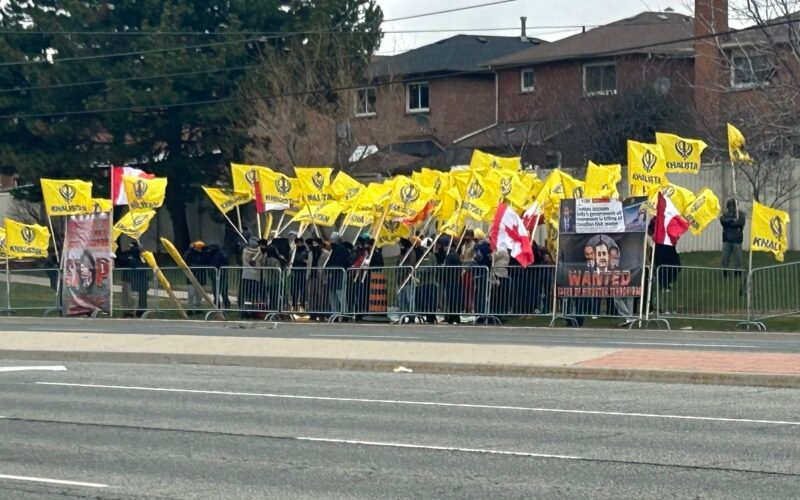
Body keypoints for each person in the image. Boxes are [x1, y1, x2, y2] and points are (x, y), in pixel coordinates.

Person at [720, 198, 746, 278]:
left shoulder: (740, 214)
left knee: (738, 258)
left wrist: (731, 223)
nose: (731, 207)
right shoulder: (725, 215)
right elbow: (723, 221)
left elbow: (741, 222)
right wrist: (733, 221)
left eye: (733, 205)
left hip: (737, 239)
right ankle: (725, 272)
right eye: (730, 205)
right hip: (727, 239)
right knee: (725, 257)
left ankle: (737, 272)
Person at [326, 232, 350, 314]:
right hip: (332, 274)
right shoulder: (332, 250)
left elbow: (341, 261)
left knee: (340, 294)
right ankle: (335, 312)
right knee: (332, 294)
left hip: (339, 274)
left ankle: (344, 312)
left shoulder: (342, 249)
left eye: (332, 239)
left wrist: (330, 267)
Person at [203, 243, 229, 309]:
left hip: (222, 274)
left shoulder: (220, 253)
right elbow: (206, 261)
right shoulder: (208, 253)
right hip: (213, 274)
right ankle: (217, 306)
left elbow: (226, 261)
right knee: (215, 292)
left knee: (223, 291)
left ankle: (226, 305)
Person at [239, 237, 261, 317]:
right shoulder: (259, 252)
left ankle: (245, 312)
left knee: (246, 295)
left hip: (246, 275)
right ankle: (252, 311)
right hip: (256, 276)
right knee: (253, 296)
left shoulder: (245, 251)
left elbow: (243, 261)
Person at [183, 241, 207, 312]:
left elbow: (206, 258)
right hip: (191, 276)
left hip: (201, 276)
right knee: (191, 293)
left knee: (199, 294)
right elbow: (185, 259)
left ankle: (197, 307)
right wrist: (191, 249)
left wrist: (204, 249)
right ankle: (190, 308)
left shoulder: (203, 253)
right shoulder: (190, 253)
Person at [397, 237, 417, 320]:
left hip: (408, 280)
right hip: (401, 280)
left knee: (409, 299)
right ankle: (402, 316)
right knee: (401, 300)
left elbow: (411, 265)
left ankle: (411, 317)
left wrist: (403, 268)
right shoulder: (402, 253)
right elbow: (398, 264)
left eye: (401, 244)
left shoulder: (411, 253)